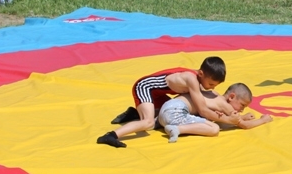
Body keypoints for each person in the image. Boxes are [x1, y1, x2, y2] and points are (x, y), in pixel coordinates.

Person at [97, 56, 241, 148]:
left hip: (158, 93)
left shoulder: (197, 77)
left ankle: (134, 113)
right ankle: (111, 135)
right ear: (201, 74)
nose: (211, 88)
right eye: (210, 84)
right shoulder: (192, 79)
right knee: (147, 123)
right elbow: (203, 109)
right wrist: (228, 119)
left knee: (159, 120)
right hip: (145, 87)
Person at [159, 83, 273, 143]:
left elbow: (223, 118)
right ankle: (177, 129)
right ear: (232, 97)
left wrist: (242, 117)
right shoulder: (225, 105)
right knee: (214, 129)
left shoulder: (214, 94)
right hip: (175, 114)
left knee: (211, 121)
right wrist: (263, 120)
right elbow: (245, 126)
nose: (241, 110)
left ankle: (169, 125)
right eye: (242, 105)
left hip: (166, 109)